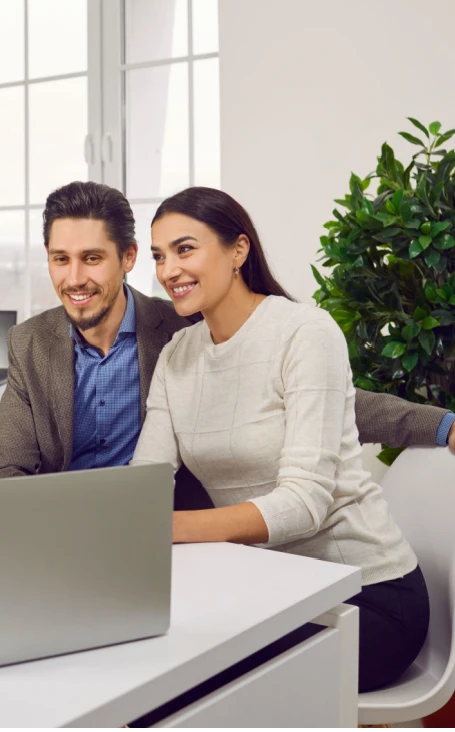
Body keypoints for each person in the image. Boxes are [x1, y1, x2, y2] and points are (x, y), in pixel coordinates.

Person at [0, 181, 455, 516]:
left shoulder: (180, 331)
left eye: (91, 258)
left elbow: (318, 400)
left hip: (175, 537)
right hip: (62, 532)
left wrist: (441, 425)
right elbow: (6, 470)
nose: (74, 278)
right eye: (59, 259)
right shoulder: (29, 344)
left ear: (127, 259)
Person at [131, 186, 430, 692]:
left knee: (177, 679)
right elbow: (145, 483)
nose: (167, 271)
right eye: (160, 256)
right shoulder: (177, 354)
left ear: (238, 251)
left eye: (185, 249)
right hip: (268, 589)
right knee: (137, 654)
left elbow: (304, 504)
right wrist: (115, 524)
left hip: (363, 596)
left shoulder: (304, 333)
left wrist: (165, 526)